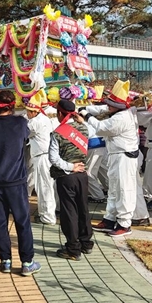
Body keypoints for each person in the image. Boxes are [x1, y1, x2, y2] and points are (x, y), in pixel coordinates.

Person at [0, 90, 41, 276]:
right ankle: (27, 262)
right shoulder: (21, 123)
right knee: (22, 221)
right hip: (16, 180)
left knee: (0, 222)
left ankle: (5, 260)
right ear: (13, 105)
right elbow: (24, 139)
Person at [82, 80, 140, 237]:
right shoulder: (124, 111)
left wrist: (87, 116)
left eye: (111, 103)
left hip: (124, 156)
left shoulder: (121, 117)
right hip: (116, 155)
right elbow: (102, 109)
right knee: (113, 189)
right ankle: (109, 218)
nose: (108, 106)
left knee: (124, 190)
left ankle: (124, 223)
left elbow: (102, 128)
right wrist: (85, 108)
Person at [49, 99, 93, 260]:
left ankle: (73, 249)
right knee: (83, 208)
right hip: (82, 174)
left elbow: (53, 158)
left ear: (60, 113)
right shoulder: (84, 128)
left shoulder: (58, 132)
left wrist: (69, 166)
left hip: (66, 177)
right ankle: (86, 242)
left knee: (69, 212)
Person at [25, 91, 56, 225]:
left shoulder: (34, 122)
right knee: (46, 186)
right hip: (44, 156)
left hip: (42, 157)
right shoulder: (43, 119)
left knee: (44, 187)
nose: (26, 114)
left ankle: (47, 217)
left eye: (27, 111)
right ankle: (45, 214)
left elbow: (23, 133)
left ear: (33, 112)